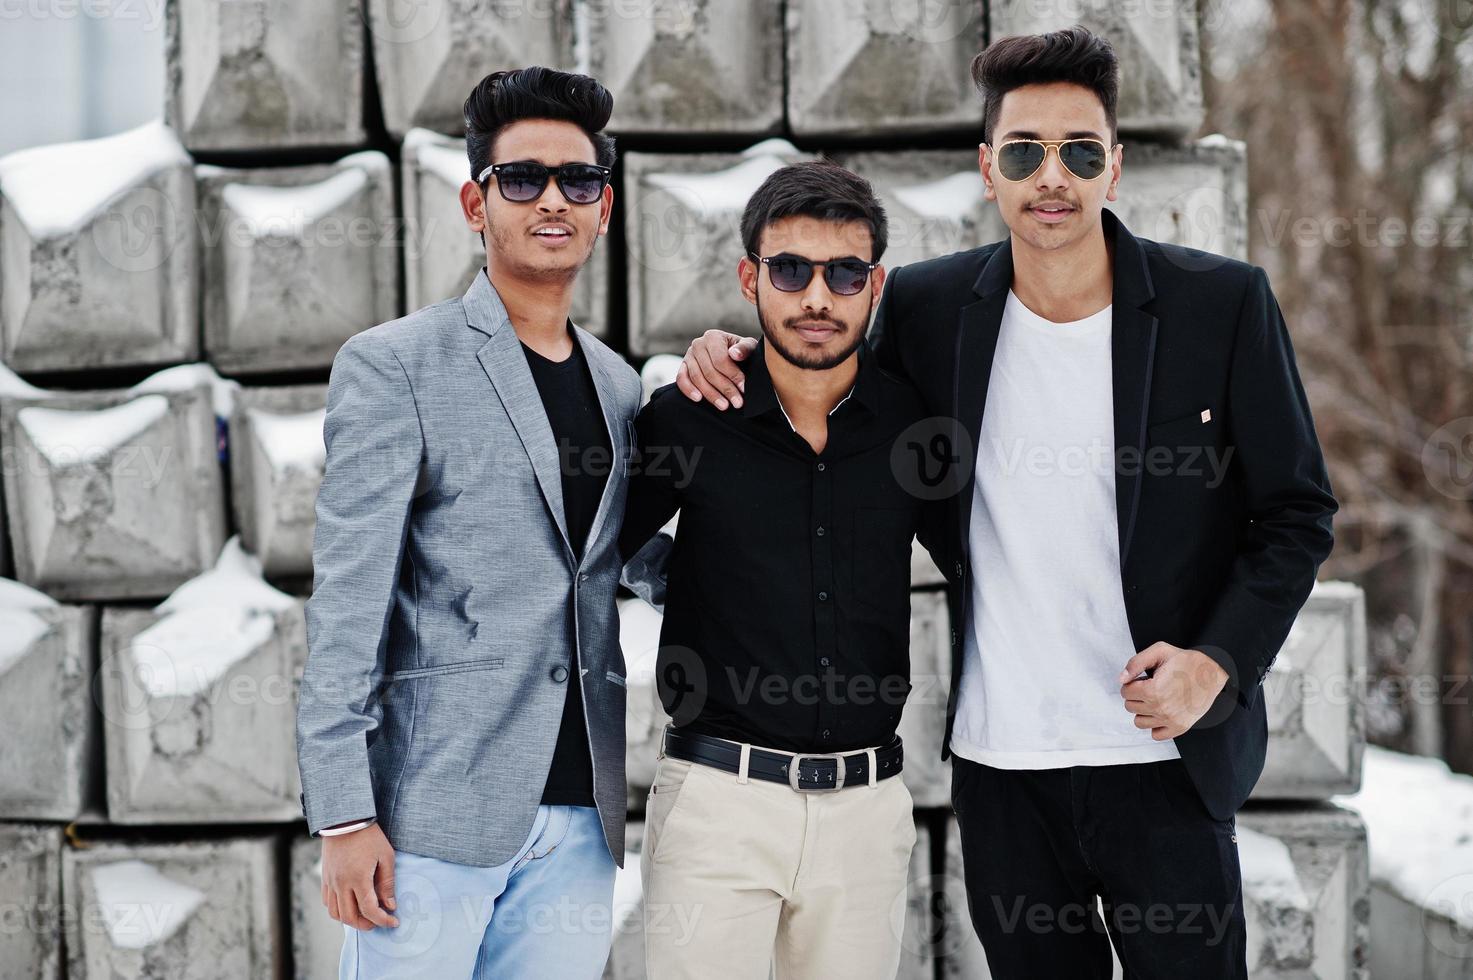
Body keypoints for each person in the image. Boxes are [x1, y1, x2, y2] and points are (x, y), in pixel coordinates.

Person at [676, 27, 1337, 979]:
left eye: (1078, 151)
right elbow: (816, 376)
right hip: (1003, 771)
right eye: (1024, 152)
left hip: (1165, 765)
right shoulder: (929, 311)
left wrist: (1216, 666)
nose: (1051, 177)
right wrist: (720, 353)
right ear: (989, 169)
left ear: (1116, 165)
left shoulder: (1219, 305)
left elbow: (1295, 513)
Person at [296, 66, 641, 979]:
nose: (553, 200)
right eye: (521, 179)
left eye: (579, 180)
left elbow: (635, 562)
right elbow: (347, 596)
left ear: (605, 207)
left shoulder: (620, 387)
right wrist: (342, 813)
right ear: (473, 202)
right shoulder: (395, 365)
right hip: (432, 816)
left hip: (582, 818)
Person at [619, 160, 949, 979]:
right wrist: (675, 578)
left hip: (866, 812)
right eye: (790, 269)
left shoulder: (913, 426)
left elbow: (989, 559)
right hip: (717, 802)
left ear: (872, 284)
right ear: (749, 277)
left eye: (843, 273)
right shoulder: (688, 415)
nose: (816, 298)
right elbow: (592, 547)